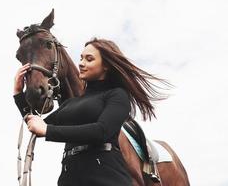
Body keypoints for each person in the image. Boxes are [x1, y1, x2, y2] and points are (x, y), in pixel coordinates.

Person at [13, 38, 169, 186]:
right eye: (81, 58)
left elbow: (102, 131)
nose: (81, 63)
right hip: (69, 178)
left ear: (106, 65)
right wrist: (18, 93)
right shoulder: (70, 104)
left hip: (105, 178)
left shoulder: (117, 95)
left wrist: (48, 130)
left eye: (89, 59)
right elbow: (36, 124)